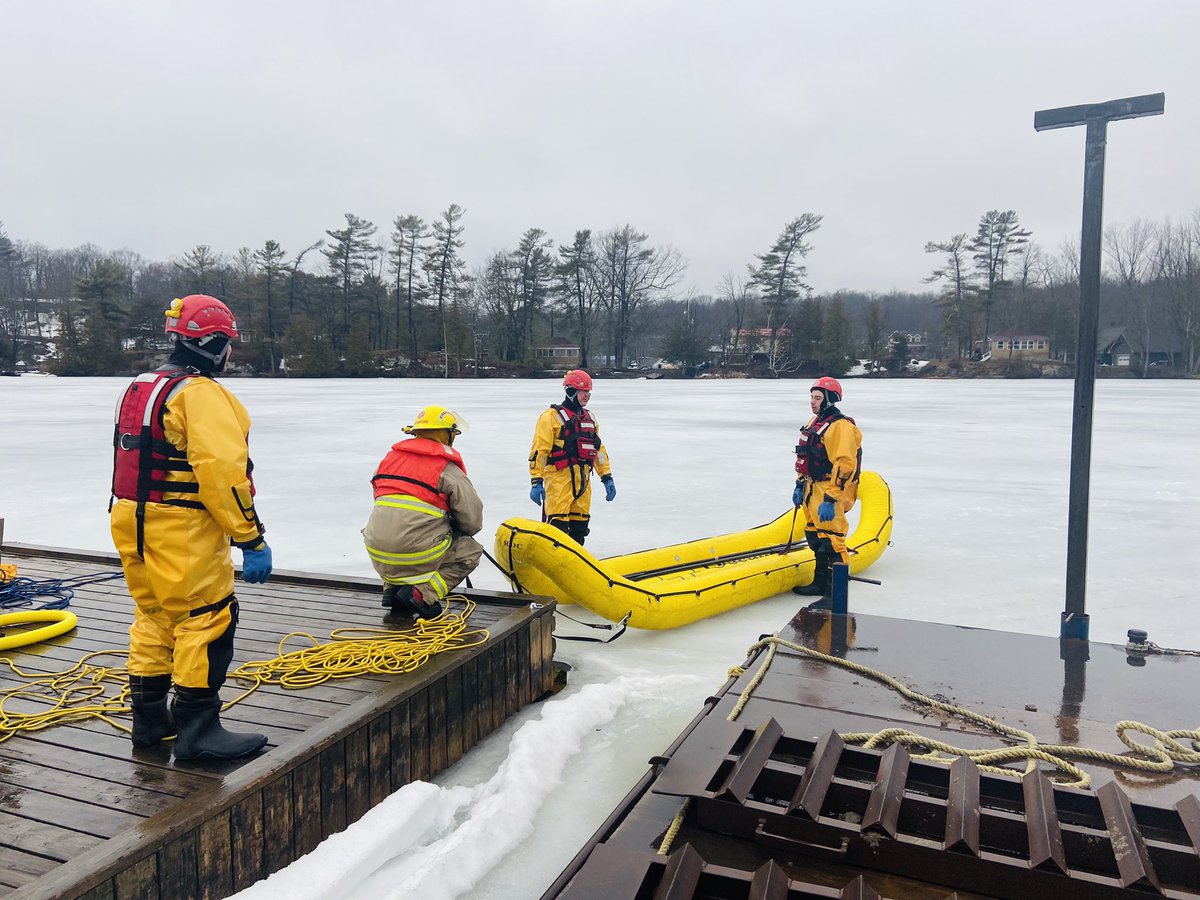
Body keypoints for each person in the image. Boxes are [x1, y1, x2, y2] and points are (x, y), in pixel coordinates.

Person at [110, 294, 272, 762]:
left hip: (131, 518)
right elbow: (222, 475)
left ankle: (150, 722)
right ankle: (199, 730)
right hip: (181, 526)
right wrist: (250, 538)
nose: (230, 355)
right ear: (212, 342)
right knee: (206, 617)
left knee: (155, 615)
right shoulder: (201, 394)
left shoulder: (143, 385)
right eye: (228, 345)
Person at [363, 406, 484, 619]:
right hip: (414, 554)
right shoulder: (446, 469)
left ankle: (391, 590)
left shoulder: (389, 461)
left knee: (397, 532)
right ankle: (422, 594)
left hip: (376, 550)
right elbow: (472, 523)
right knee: (470, 551)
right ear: (446, 434)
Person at [791, 376, 863, 606]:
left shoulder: (840, 427)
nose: (812, 401)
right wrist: (800, 483)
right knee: (814, 535)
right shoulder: (816, 422)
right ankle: (820, 582)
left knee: (833, 541)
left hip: (828, 489)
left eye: (817, 398)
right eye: (811, 397)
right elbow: (806, 455)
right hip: (812, 487)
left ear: (830, 400)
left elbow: (845, 465)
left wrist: (832, 499)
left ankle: (835, 595)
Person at [527, 369, 615, 545]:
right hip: (560, 482)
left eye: (589, 392)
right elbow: (540, 451)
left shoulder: (590, 418)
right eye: (583, 391)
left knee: (579, 531)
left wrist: (606, 477)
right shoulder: (550, 417)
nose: (587, 396)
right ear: (571, 391)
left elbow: (599, 451)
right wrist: (536, 481)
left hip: (583, 483)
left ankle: (573, 565)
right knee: (557, 531)